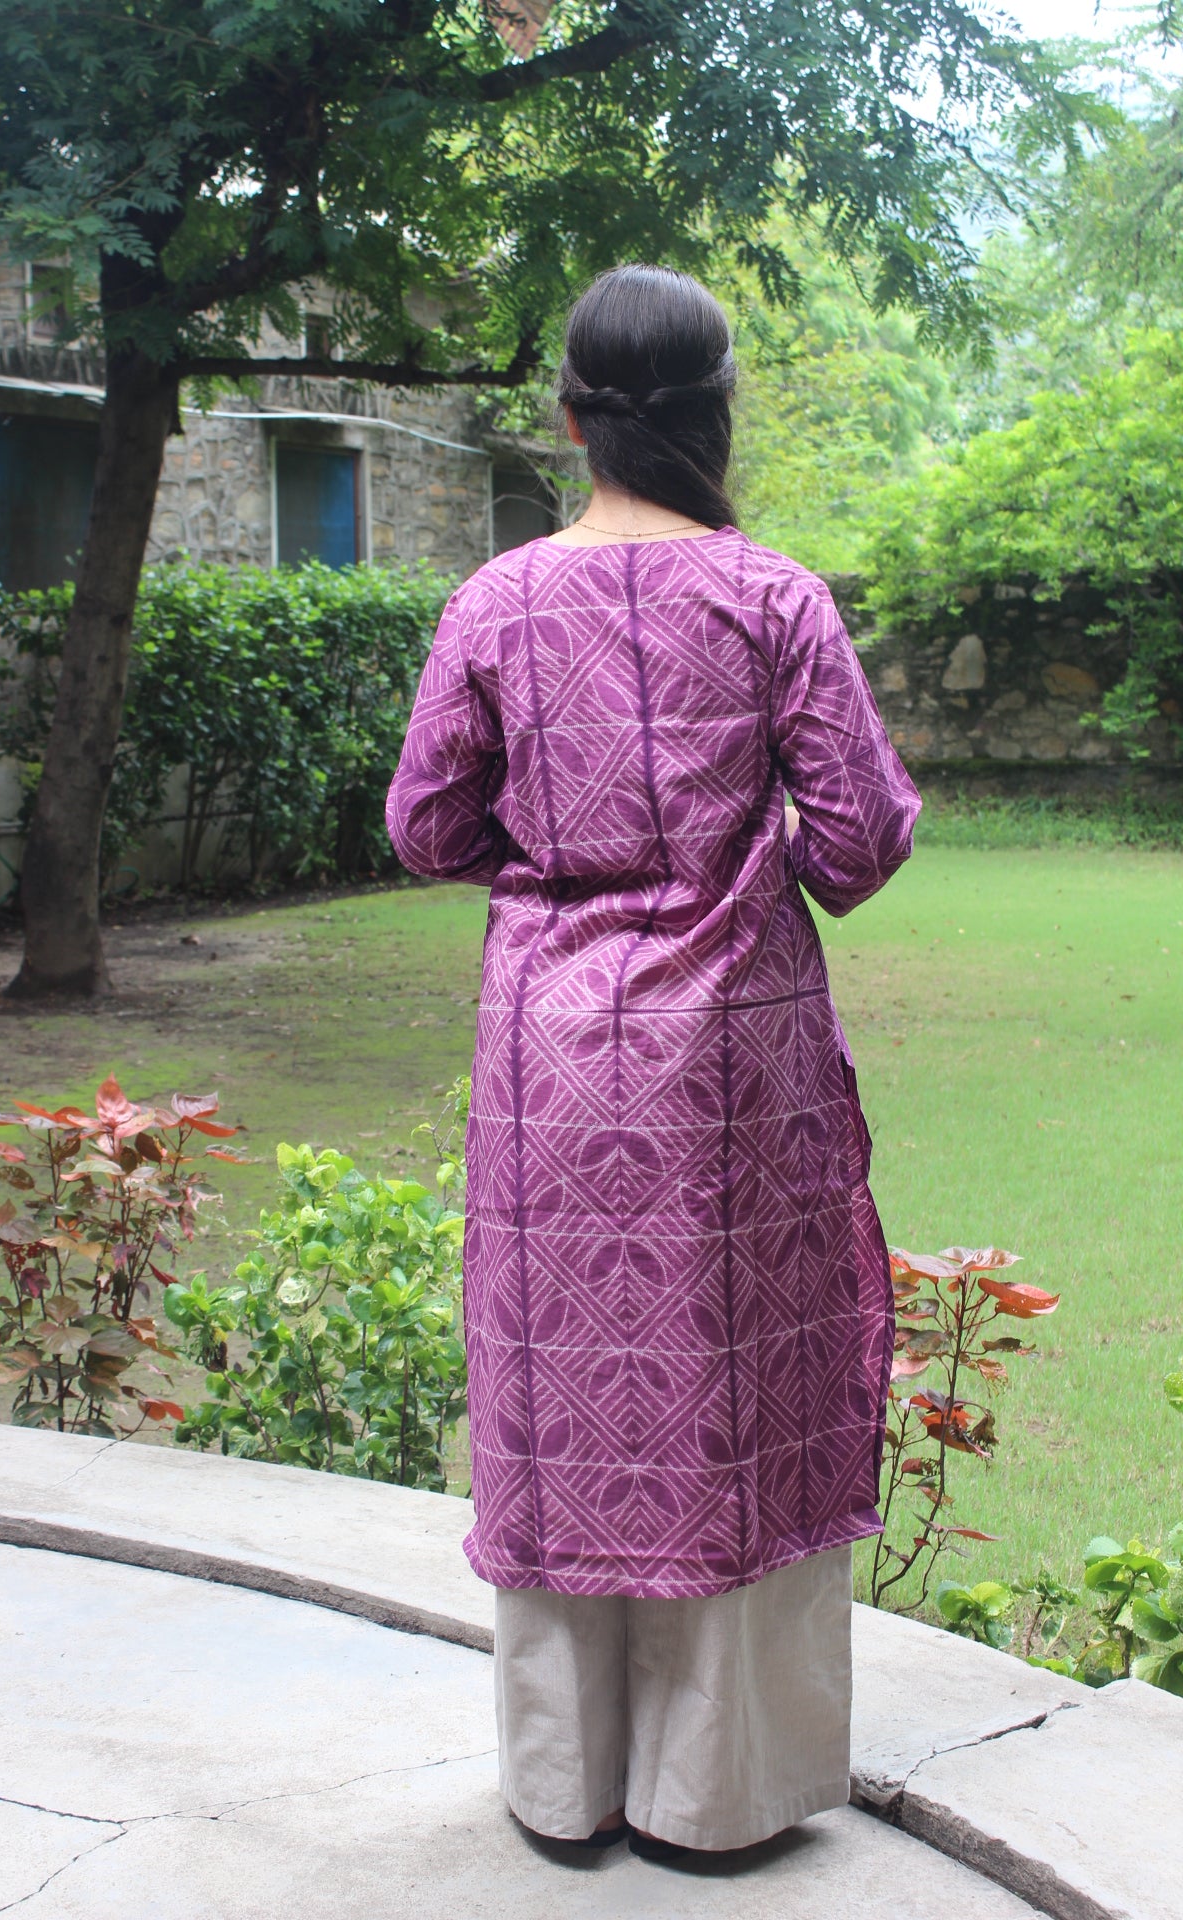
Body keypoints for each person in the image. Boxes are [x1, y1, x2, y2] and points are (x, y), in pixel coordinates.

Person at [385, 264, 920, 1863]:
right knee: (732, 1382)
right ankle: (715, 1799)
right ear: (714, 413)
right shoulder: (773, 600)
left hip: (549, 1061)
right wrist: (727, 851)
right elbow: (863, 841)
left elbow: (425, 823)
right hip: (730, 1075)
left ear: (571, 420)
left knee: (568, 1395)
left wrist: (557, 871)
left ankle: (565, 1789)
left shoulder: (492, 603)